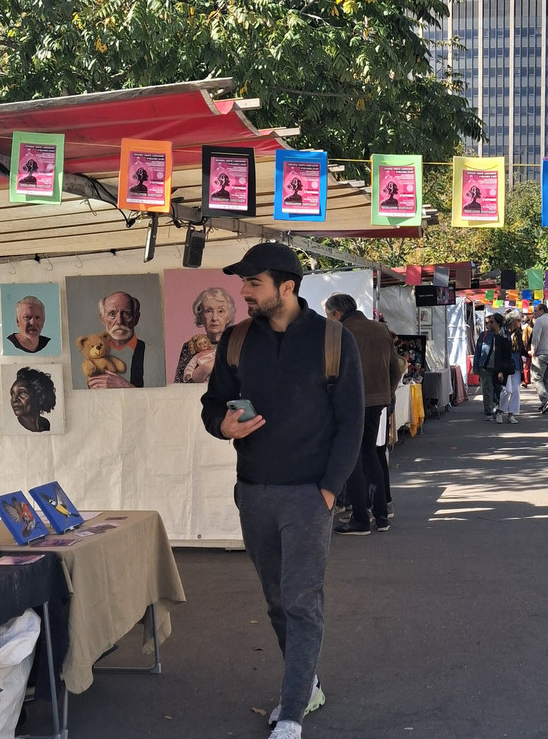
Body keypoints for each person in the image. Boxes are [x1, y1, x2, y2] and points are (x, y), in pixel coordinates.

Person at [200, 242, 364, 739]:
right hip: (253, 493)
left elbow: (351, 421)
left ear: (286, 287)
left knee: (301, 601)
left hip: (308, 497)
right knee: (276, 601)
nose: (244, 292)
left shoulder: (334, 340)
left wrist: (330, 491)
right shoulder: (235, 340)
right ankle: (306, 684)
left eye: (253, 283)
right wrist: (223, 427)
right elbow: (212, 406)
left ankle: (291, 711)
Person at [324, 292, 403, 536]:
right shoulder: (380, 329)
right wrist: (386, 394)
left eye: (329, 316)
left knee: (353, 458)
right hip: (377, 401)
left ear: (336, 314)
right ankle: (381, 515)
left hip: (349, 402)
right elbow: (395, 367)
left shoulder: (338, 333)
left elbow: (329, 372)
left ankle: (360, 517)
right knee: (370, 453)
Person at [87, 290, 163, 388]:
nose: (119, 321)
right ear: (102, 319)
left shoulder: (153, 354)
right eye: (112, 314)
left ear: (136, 318)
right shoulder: (92, 354)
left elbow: (159, 398)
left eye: (126, 314)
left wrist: (123, 385)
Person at [174, 287, 237, 383]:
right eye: (208, 311)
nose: (214, 318)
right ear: (200, 317)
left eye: (221, 311)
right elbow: (179, 386)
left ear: (228, 317)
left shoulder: (237, 344)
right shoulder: (190, 345)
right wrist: (203, 370)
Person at [528, 303, 548, 413]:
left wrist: (533, 350)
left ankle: (545, 400)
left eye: (536, 311)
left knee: (536, 378)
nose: (534, 313)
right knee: (547, 379)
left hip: (542, 353)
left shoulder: (540, 321)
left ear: (542, 310)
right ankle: (546, 402)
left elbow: (535, 337)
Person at [9, 366, 56, 432]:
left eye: (22, 393)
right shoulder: (13, 429)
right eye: (12, 394)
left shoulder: (45, 424)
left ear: (40, 398)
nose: (14, 399)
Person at [498, 311, 525, 424]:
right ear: (511, 321)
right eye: (517, 320)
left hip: (516, 364)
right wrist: (499, 370)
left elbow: (521, 349)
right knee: (507, 390)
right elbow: (499, 351)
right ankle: (500, 411)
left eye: (520, 320)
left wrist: (530, 353)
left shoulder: (519, 333)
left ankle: (511, 414)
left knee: (516, 391)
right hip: (505, 365)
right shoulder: (502, 333)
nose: (519, 322)